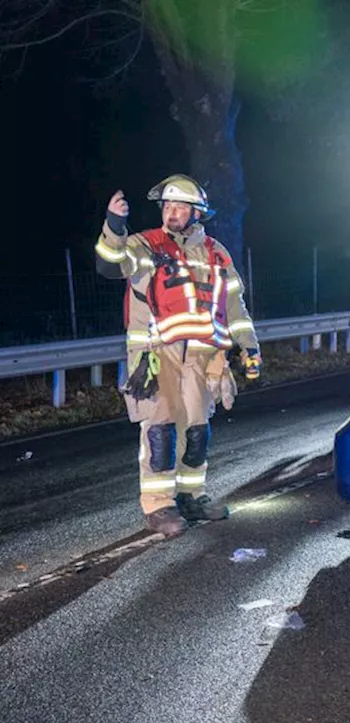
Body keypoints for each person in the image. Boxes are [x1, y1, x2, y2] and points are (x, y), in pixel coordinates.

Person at [94, 174, 261, 537]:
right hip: (157, 354)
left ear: (197, 212)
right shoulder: (145, 244)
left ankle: (191, 496)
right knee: (160, 431)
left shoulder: (217, 253)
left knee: (196, 431)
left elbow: (235, 306)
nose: (171, 212)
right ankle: (159, 506)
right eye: (167, 206)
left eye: (180, 206)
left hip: (204, 357)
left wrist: (249, 346)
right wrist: (114, 224)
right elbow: (109, 265)